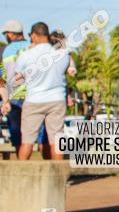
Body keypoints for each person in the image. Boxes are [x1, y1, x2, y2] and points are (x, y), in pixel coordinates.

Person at [10, 22, 70, 161]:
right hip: (57, 100)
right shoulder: (62, 54)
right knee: (56, 141)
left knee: (27, 141)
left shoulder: (26, 55)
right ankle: (58, 179)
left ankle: (21, 176)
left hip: (34, 100)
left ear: (34, 35)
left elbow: (17, 80)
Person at [0, 20, 30, 158]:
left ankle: (21, 165)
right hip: (34, 97)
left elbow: (2, 80)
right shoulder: (32, 46)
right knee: (36, 135)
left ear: (11, 34)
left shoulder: (5, 50)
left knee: (17, 136)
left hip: (14, 98)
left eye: (6, 34)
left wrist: (5, 100)